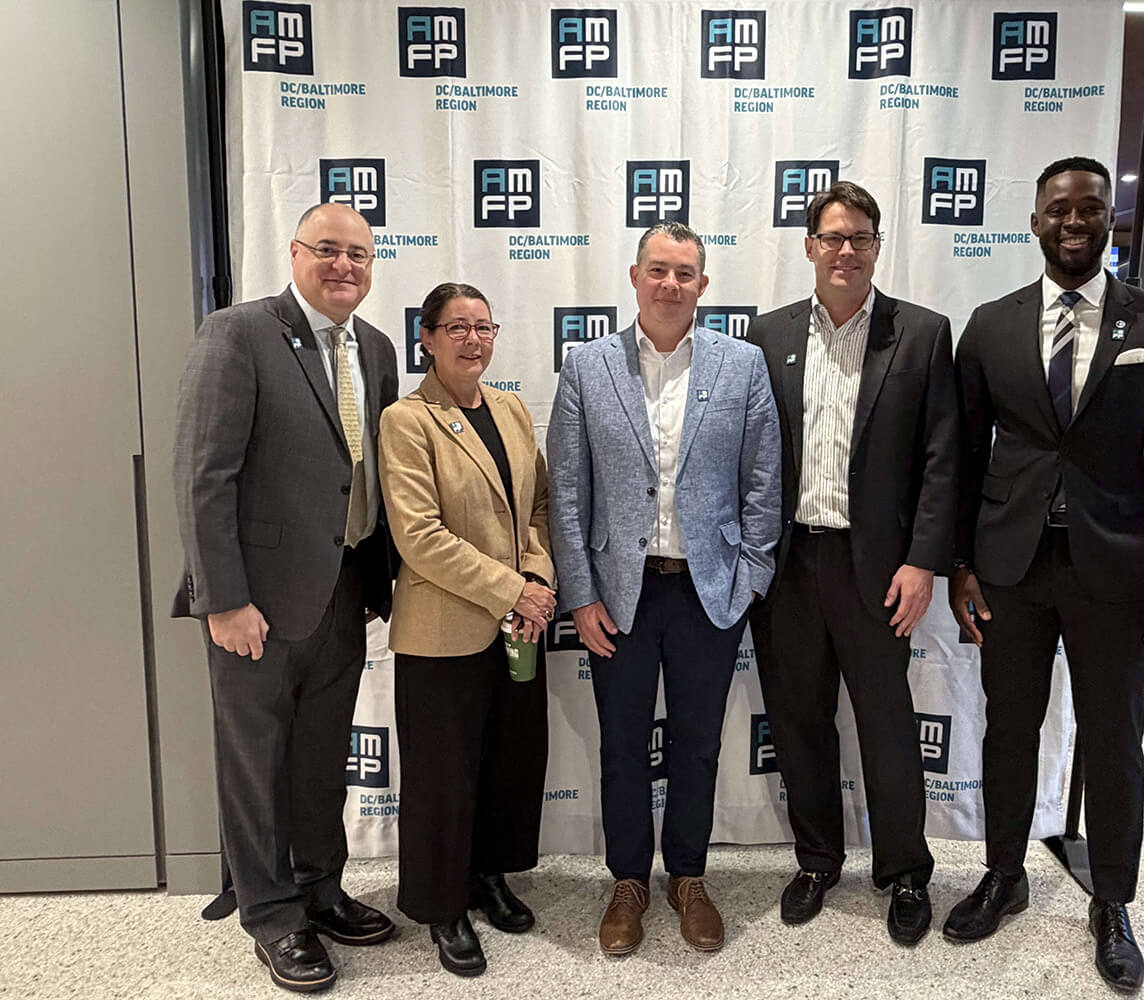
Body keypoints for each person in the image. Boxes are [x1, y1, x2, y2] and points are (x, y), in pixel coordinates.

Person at [944, 156, 1144, 993]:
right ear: (1034, 222)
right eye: (1058, 208)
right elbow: (958, 457)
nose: (1073, 220)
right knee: (1009, 731)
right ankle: (1003, 875)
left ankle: (1114, 901)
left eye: (1089, 208)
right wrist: (958, 562)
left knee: (1113, 743)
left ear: (1109, 221)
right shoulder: (989, 325)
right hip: (1011, 569)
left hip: (1118, 570)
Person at [172, 203, 400, 993]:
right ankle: (271, 917)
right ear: (295, 253)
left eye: (359, 255)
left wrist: (379, 584)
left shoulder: (374, 348)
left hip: (342, 594)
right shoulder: (238, 334)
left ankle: (320, 890)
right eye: (328, 251)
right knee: (254, 765)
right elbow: (204, 477)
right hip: (255, 605)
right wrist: (222, 599)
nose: (345, 266)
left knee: (317, 762)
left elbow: (364, 471)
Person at [547, 222, 781, 956]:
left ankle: (687, 876)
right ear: (635, 276)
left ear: (703, 285)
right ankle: (628, 883)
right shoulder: (588, 366)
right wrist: (581, 595)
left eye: (686, 272)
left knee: (699, 743)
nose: (671, 284)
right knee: (621, 745)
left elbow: (764, 480)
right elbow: (567, 488)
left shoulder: (742, 365)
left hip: (709, 591)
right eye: (659, 270)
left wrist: (749, 579)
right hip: (619, 594)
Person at [745, 180, 959, 945]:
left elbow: (943, 460)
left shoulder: (923, 334)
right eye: (832, 237)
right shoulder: (765, 339)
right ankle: (816, 861)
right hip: (789, 567)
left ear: (876, 247)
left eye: (860, 237)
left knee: (888, 726)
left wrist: (923, 560)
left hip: (880, 572)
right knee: (800, 722)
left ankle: (904, 871)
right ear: (809, 246)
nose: (845, 250)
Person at [378, 282, 556, 978]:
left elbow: (538, 505)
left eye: (484, 327)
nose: (473, 340)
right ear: (426, 338)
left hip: (517, 626)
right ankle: (441, 907)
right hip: (443, 631)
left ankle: (487, 876)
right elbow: (418, 536)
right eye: (456, 327)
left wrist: (537, 582)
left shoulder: (511, 410)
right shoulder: (407, 419)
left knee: (507, 764)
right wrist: (512, 588)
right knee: (442, 777)